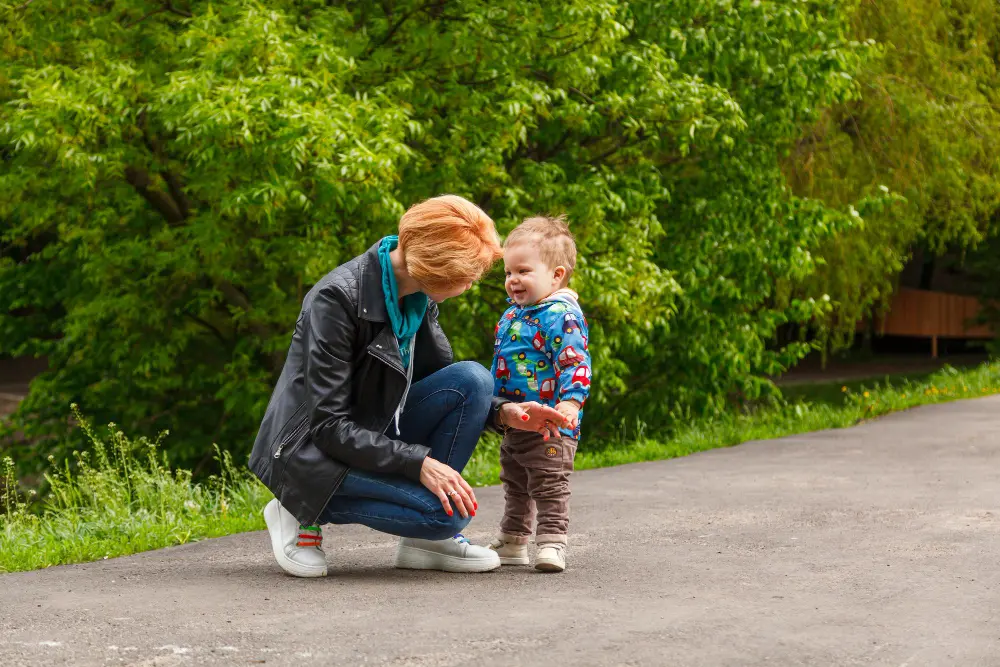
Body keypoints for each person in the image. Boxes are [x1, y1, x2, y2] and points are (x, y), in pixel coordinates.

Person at [248, 196, 570, 578]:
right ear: (436, 267)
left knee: (473, 379)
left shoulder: (417, 296)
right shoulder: (335, 300)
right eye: (466, 275)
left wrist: (503, 412)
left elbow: (446, 385)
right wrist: (417, 464)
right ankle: (296, 506)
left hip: (370, 434)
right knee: (444, 516)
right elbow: (328, 426)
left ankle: (424, 542)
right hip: (311, 455)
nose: (469, 285)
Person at [487, 216, 593, 573]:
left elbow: (575, 361)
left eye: (523, 271)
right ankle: (514, 540)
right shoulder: (513, 315)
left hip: (551, 421)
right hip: (517, 418)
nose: (512, 280)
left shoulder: (560, 315)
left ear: (556, 275)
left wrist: (570, 402)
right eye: (508, 272)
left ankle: (551, 542)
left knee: (549, 483)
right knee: (515, 481)